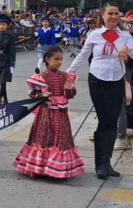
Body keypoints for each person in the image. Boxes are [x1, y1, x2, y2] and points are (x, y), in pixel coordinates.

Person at [67, 3, 133, 179]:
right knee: (103, 120)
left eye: (116, 13)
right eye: (110, 13)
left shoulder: (125, 36)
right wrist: (68, 74)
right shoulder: (95, 34)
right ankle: (100, 163)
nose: (114, 16)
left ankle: (107, 161)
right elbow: (83, 56)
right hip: (97, 80)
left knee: (112, 121)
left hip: (116, 80)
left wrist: (126, 48)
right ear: (103, 15)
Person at [12, 47, 84, 179]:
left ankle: (56, 168)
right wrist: (41, 94)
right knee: (43, 137)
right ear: (47, 59)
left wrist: (69, 89)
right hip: (46, 113)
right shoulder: (42, 77)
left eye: (61, 59)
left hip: (61, 113)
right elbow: (33, 93)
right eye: (56, 59)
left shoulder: (65, 76)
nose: (59, 62)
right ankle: (39, 166)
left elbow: (70, 95)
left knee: (61, 137)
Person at [0, 14, 17, 106]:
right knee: (2, 83)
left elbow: (12, 51)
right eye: (0, 24)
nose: (1, 26)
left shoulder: (10, 37)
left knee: (2, 81)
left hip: (6, 61)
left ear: (7, 26)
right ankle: (5, 100)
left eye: (4, 24)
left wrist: (12, 64)